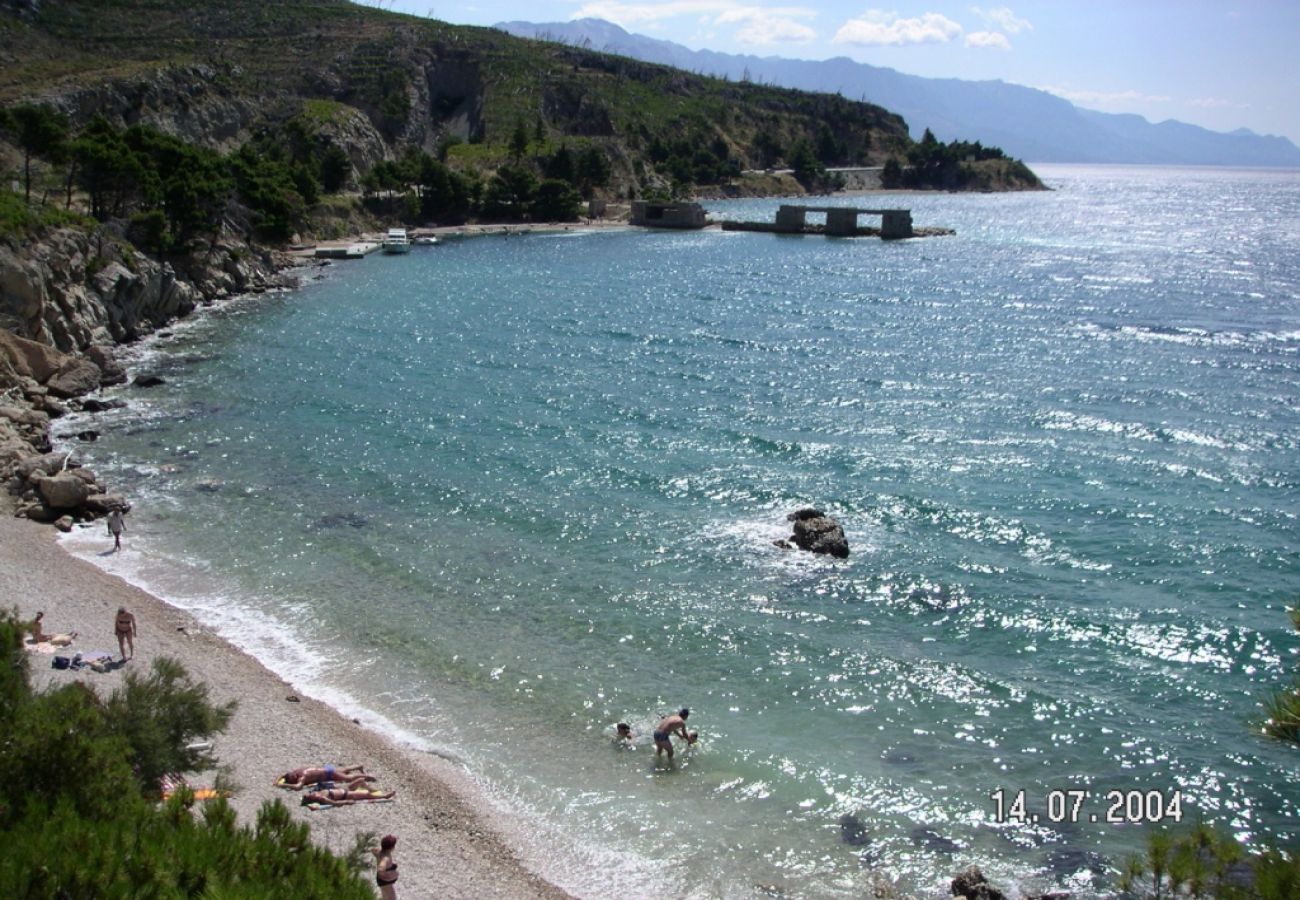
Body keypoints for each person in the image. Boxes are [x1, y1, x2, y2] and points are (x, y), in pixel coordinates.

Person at [279, 764, 374, 790]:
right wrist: (279, 780)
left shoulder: (303, 776)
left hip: (329, 773)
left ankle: (366, 776)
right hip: (325, 768)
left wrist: (285, 785)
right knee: (343, 769)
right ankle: (359, 766)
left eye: (292, 781)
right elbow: (284, 775)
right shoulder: (297, 771)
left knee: (347, 778)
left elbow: (298, 787)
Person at [301, 787, 395, 806]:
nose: (310, 794)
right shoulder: (322, 798)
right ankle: (385, 796)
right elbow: (335, 803)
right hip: (347, 795)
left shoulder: (316, 794)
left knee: (360, 781)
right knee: (367, 795)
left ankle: (376, 790)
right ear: (311, 799)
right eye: (309, 796)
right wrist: (347, 802)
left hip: (344, 789)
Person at [372, 834, 399, 898]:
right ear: (391, 847)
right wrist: (386, 875)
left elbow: (373, 850)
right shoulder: (386, 858)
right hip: (385, 882)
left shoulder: (380, 852)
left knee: (385, 897)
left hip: (381, 880)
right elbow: (381, 868)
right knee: (392, 898)